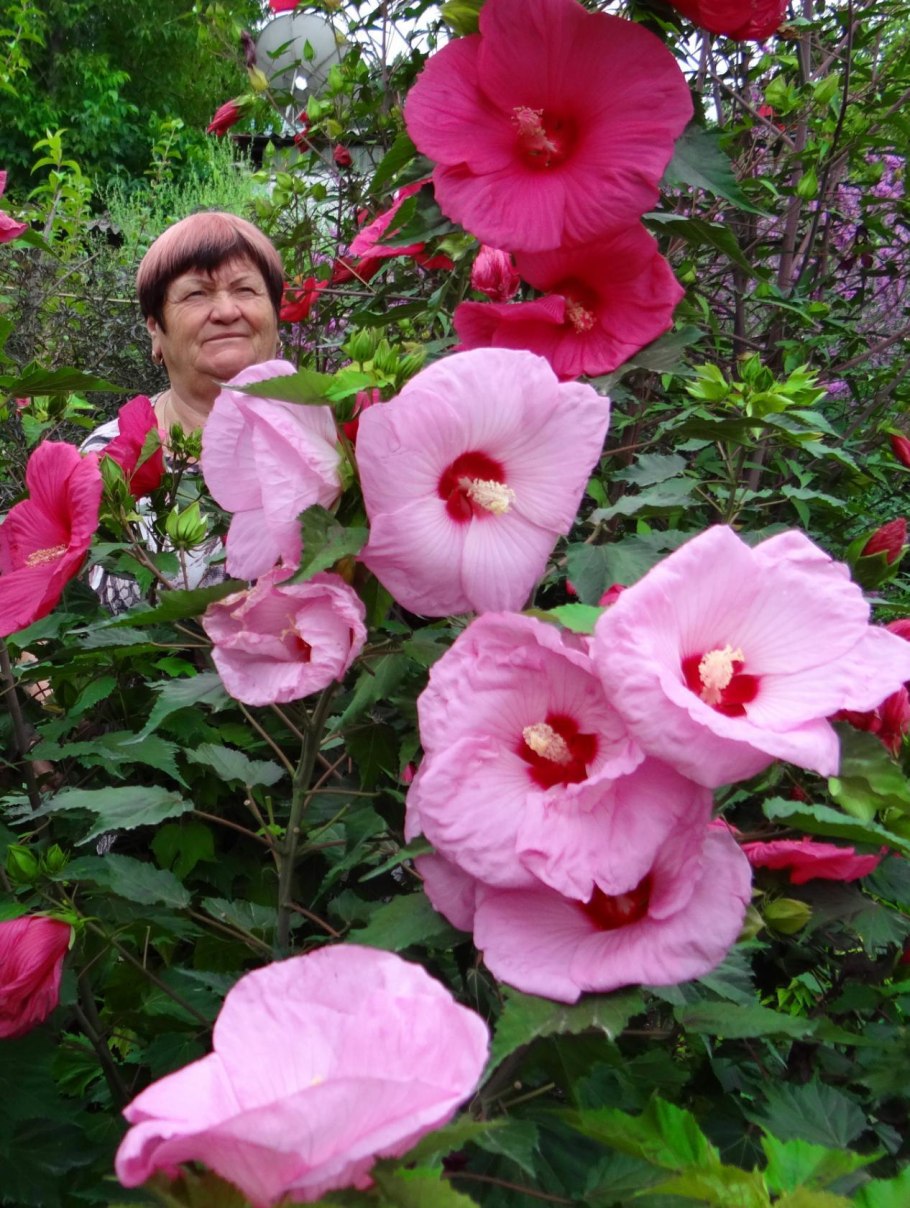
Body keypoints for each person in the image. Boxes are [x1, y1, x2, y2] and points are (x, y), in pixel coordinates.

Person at [81, 211, 286, 610]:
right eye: (196, 294)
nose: (226, 311)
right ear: (155, 329)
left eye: (245, 289)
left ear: (277, 317)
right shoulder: (107, 452)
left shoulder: (329, 437)